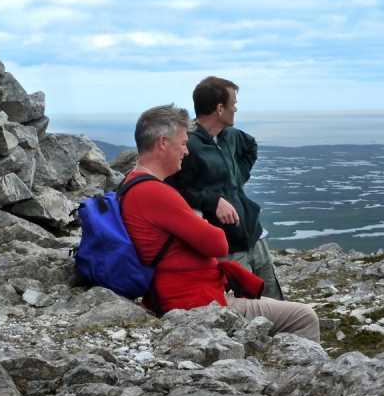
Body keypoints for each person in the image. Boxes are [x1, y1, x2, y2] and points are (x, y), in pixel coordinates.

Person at [121, 104, 319, 342]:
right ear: (163, 142)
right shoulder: (154, 192)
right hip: (195, 302)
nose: (186, 151)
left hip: (183, 294)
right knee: (304, 317)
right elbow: (217, 244)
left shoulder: (132, 183)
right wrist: (199, 220)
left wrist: (196, 220)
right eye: (183, 143)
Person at [166, 76, 283, 299]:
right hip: (227, 247)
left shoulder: (230, 136)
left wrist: (235, 179)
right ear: (220, 109)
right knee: (251, 311)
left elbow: (251, 148)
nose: (236, 108)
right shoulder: (189, 145)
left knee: (275, 301)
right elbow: (175, 190)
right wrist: (213, 201)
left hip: (254, 236)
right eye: (233, 103)